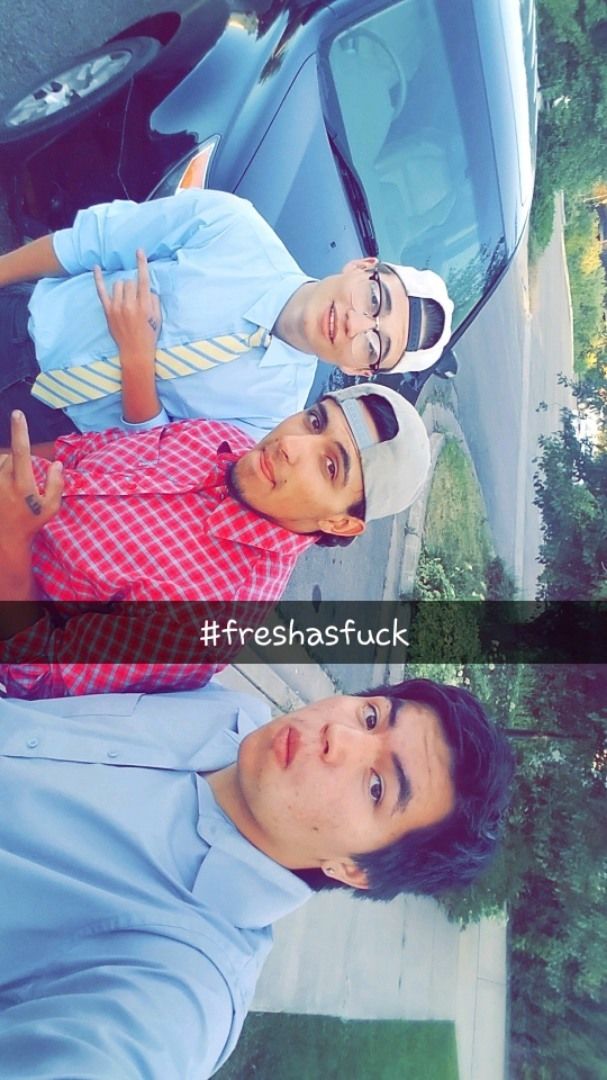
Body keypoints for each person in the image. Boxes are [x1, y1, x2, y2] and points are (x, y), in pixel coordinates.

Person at [0, 675, 514, 1078]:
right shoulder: (227, 707)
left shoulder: (186, 985)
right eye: (372, 716)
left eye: (377, 786)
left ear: (354, 868)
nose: (340, 737)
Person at [0, 381, 430, 697]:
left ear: (339, 524)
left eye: (329, 466)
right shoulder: (220, 440)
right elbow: (79, 452)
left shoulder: (212, 617)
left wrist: (13, 542)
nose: (291, 445)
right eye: (314, 421)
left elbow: (38, 678)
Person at [0, 189, 454, 444]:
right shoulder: (235, 227)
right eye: (374, 299)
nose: (356, 323)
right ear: (362, 266)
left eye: (373, 345)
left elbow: (159, 455)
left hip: (50, 429)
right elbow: (90, 242)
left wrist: (138, 360)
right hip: (24, 324)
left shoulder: (272, 418)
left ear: (358, 369)